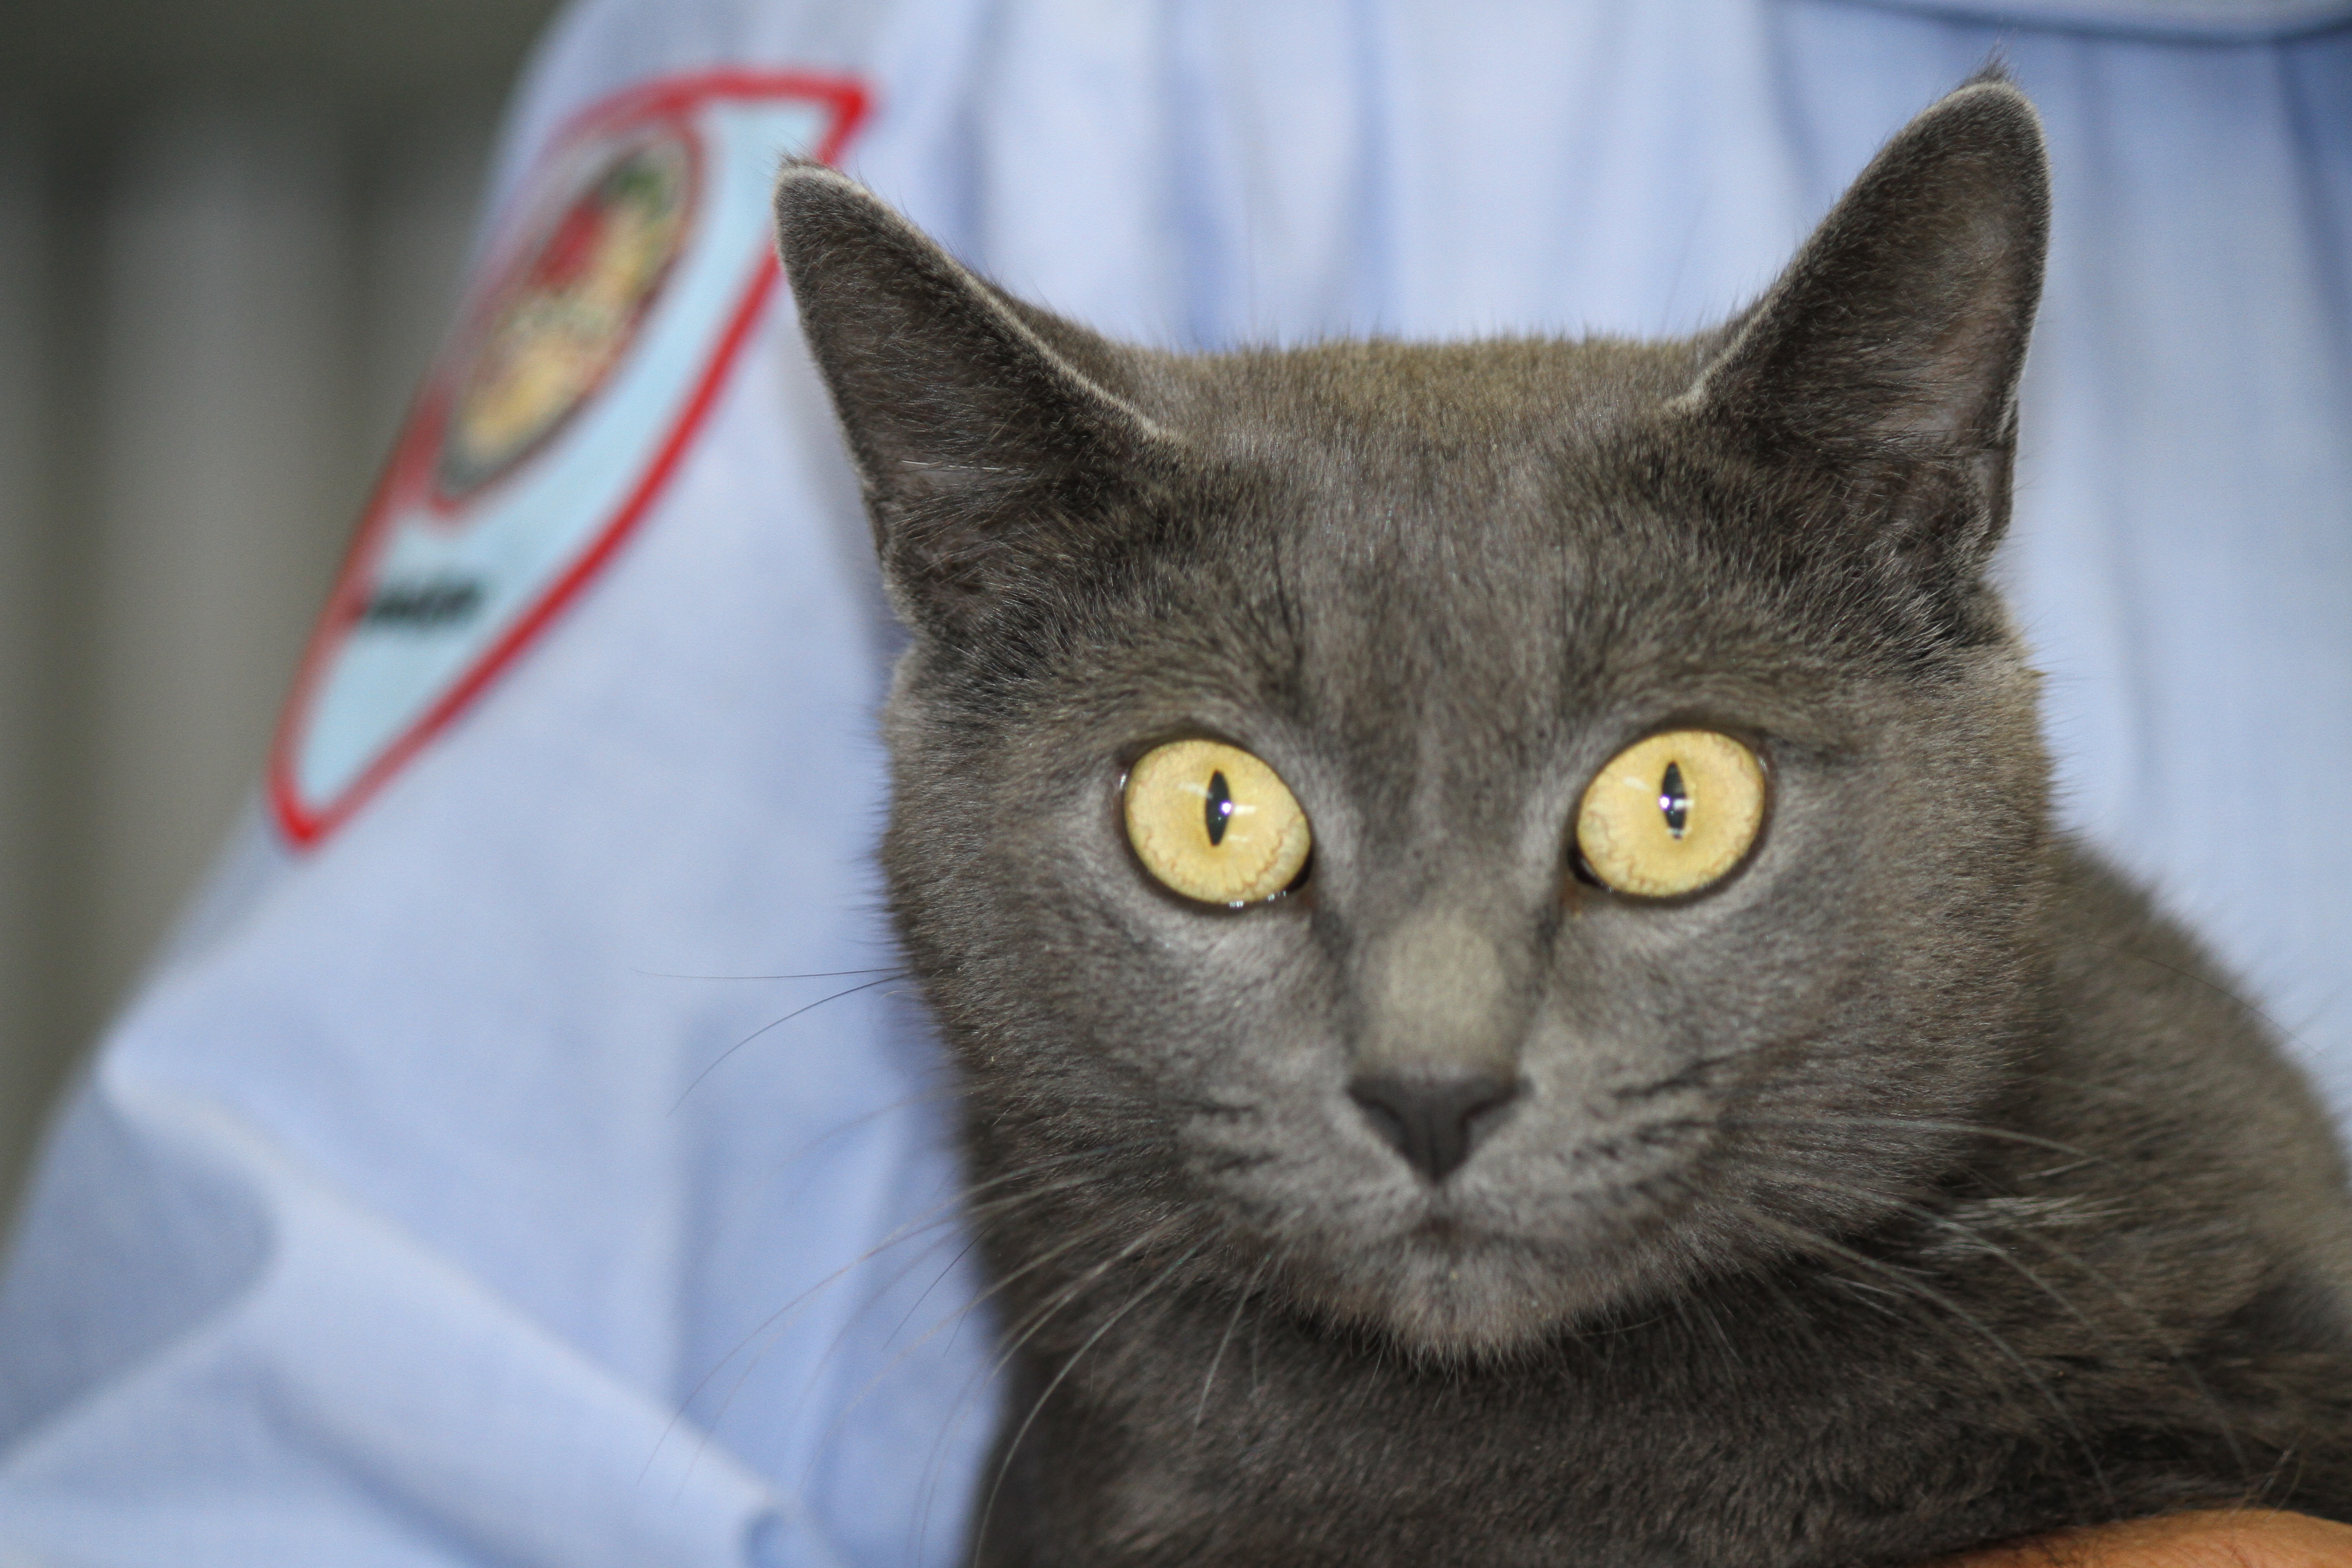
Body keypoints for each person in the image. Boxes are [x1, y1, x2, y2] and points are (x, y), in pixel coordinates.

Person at [0, 0, 2345, 1563]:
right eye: (1219, 830)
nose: (1436, 1056)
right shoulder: (1049, 38)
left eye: (1669, 820)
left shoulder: (2177, 1199)